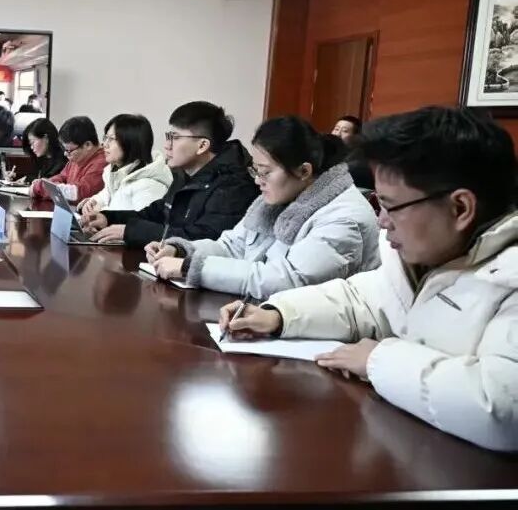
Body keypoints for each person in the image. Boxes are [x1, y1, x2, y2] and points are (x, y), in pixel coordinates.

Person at [218, 107, 518, 452]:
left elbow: (502, 407)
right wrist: (278, 315)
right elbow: (361, 299)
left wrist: (378, 360)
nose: (382, 221)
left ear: (460, 208)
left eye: (391, 205)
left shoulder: (508, 278)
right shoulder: (421, 254)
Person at [149, 116, 380, 300]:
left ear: (304, 171)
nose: (257, 180)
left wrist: (191, 268)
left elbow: (289, 280)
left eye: (265, 172)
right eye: (255, 170)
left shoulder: (344, 216)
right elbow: (232, 246)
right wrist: (181, 251)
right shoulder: (281, 195)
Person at [81, 101, 257, 247]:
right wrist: (108, 218)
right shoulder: (184, 174)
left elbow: (205, 238)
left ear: (202, 145)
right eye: (168, 136)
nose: (167, 145)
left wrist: (131, 231)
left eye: (175, 137)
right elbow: (157, 213)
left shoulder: (233, 185)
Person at [78, 114, 172, 217]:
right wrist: (93, 202)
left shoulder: (149, 185)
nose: (104, 144)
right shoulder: (116, 171)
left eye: (111, 139)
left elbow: (140, 223)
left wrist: (101, 213)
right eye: (105, 138)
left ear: (131, 142)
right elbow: (106, 195)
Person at [30, 116, 106, 203]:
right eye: (64, 149)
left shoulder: (102, 163)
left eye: (69, 151)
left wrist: (41, 187)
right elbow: (62, 177)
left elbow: (78, 193)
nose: (65, 154)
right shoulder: (77, 159)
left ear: (87, 145)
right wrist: (46, 183)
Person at [333, 115, 373, 190]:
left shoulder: (357, 161)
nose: (337, 134)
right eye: (336, 129)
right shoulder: (326, 153)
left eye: (345, 131)